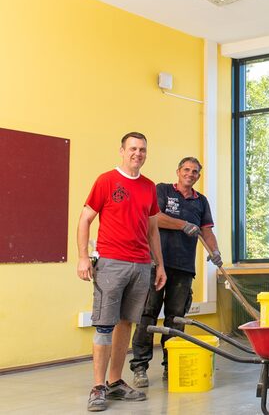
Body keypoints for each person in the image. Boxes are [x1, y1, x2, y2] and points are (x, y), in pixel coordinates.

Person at [76, 132, 167, 412]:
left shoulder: (149, 187)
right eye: (132, 149)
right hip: (111, 264)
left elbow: (152, 230)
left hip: (141, 265)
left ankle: (115, 382)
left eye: (142, 150)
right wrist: (82, 257)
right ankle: (98, 387)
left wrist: (159, 264)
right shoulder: (106, 180)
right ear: (122, 151)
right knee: (105, 325)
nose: (137, 153)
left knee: (126, 323)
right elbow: (85, 219)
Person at [129, 157, 222, 387]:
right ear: (178, 171)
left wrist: (215, 251)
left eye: (195, 172)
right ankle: (140, 367)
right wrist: (182, 224)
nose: (190, 174)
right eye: (186, 170)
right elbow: (155, 219)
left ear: (198, 176)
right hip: (156, 263)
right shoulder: (162, 190)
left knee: (175, 318)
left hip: (183, 267)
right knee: (147, 314)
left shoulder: (201, 201)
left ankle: (171, 365)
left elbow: (206, 231)